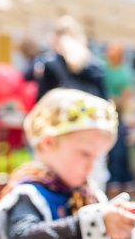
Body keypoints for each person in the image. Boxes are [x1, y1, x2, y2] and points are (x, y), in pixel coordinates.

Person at [0, 88, 135, 239]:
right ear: (48, 143)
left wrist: (116, 233)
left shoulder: (85, 193)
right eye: (85, 154)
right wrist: (88, 224)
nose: (91, 166)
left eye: (99, 158)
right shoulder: (29, 193)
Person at [35, 15, 110, 190]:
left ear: (55, 38)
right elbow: (105, 99)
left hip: (62, 135)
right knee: (93, 184)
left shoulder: (50, 64)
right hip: (94, 131)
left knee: (56, 186)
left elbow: (42, 103)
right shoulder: (95, 64)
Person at [103, 43, 135, 197]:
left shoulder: (123, 72)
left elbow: (126, 95)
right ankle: (114, 181)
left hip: (118, 115)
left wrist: (113, 103)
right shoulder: (103, 67)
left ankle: (120, 181)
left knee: (119, 150)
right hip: (104, 114)